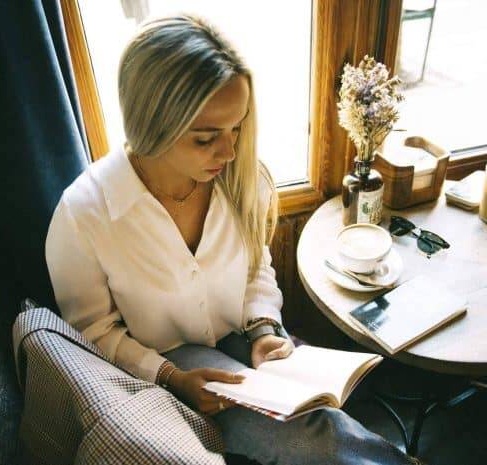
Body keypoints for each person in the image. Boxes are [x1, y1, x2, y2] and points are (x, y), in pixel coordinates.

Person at [46, 14, 419, 465]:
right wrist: (169, 376)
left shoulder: (242, 178)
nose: (229, 151)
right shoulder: (85, 214)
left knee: (322, 417)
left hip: (238, 334)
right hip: (162, 360)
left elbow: (256, 266)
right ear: (151, 126)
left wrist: (264, 329)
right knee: (312, 439)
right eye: (206, 139)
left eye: (237, 128)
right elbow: (93, 333)